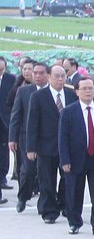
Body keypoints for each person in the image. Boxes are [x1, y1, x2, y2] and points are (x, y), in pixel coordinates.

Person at [58, 77, 94, 235]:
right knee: (75, 192)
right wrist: (65, 160)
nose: (88, 91)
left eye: (91, 88)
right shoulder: (69, 111)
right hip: (75, 159)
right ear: (77, 92)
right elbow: (63, 138)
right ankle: (74, 222)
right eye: (84, 88)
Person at [27, 65, 77, 223]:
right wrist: (31, 148)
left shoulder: (71, 95)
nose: (60, 79)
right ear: (49, 77)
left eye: (63, 76)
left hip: (68, 147)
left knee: (67, 180)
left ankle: (65, 206)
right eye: (57, 76)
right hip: (46, 145)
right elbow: (32, 123)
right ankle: (49, 211)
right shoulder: (38, 96)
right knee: (47, 180)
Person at [9, 62, 42, 213]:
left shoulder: (52, 92)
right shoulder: (23, 91)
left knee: (46, 172)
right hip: (26, 137)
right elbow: (16, 116)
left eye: (41, 73)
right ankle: (23, 197)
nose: (37, 76)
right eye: (34, 72)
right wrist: (12, 138)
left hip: (47, 138)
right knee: (27, 171)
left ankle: (46, 203)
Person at [0, 56, 16, 193]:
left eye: (1, 69)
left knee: (4, 149)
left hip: (5, 120)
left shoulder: (10, 79)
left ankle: (2, 178)